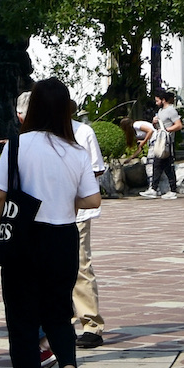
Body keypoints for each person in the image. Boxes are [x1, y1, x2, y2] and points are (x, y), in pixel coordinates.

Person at [0, 78, 101, 368]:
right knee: (58, 313)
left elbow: (0, 195)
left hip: (23, 238)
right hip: (63, 237)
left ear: (32, 107)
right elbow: (93, 199)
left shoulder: (19, 145)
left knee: (22, 322)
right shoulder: (76, 150)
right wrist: (66, 199)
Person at [69, 114, 110, 349]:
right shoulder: (38, 136)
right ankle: (62, 321)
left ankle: (91, 323)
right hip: (46, 213)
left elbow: (96, 170)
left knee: (80, 265)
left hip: (77, 211)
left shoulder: (82, 132)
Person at [148, 90, 182, 199]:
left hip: (167, 142)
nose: (156, 102)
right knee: (160, 165)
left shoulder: (171, 111)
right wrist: (154, 123)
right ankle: (155, 188)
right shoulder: (161, 111)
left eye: (157, 100)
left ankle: (168, 189)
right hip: (160, 141)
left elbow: (178, 125)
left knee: (165, 166)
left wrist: (167, 130)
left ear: (163, 100)